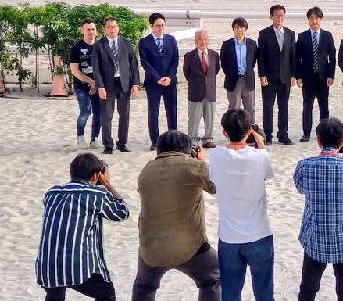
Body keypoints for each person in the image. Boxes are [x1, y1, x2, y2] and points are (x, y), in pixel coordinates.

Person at [132, 130, 220, 301]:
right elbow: (217, 187)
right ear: (187, 149)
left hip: (151, 247)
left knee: (144, 286)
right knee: (213, 278)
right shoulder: (192, 166)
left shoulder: (146, 170)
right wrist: (202, 161)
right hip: (190, 247)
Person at [294, 117, 343, 301]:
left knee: (308, 289)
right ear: (342, 140)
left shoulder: (305, 166)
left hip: (315, 238)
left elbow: (300, 187)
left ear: (318, 140)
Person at [36, 153, 129, 301]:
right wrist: (108, 184)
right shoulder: (97, 193)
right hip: (77, 267)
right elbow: (122, 213)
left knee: (55, 294)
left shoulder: (52, 193)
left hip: (47, 267)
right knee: (106, 293)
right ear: (96, 176)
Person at [208, 109, 275, 301]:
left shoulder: (216, 156)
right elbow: (267, 175)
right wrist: (260, 143)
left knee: (230, 292)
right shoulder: (260, 156)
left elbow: (213, 177)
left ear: (224, 131)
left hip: (229, 237)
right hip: (259, 233)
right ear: (249, 131)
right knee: (264, 292)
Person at [91, 16, 140, 154]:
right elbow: (96, 68)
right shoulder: (99, 45)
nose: (112, 29)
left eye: (114, 26)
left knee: (125, 115)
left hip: (124, 83)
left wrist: (135, 84)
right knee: (107, 116)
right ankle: (108, 145)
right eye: (109, 27)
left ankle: (122, 143)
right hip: (107, 85)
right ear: (104, 29)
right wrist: (100, 86)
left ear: (118, 28)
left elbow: (134, 65)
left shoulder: (126, 43)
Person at [138, 12, 180, 151]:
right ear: (151, 26)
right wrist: (157, 78)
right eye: (157, 25)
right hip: (153, 83)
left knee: (172, 111)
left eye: (162, 25)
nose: (161, 28)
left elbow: (175, 60)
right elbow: (145, 63)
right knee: (153, 112)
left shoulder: (171, 40)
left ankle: (173, 139)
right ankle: (155, 141)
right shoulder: (144, 42)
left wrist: (170, 77)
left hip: (170, 82)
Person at [295, 7, 337, 142]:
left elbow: (332, 57)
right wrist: (299, 76)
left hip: (323, 77)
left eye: (317, 18)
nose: (314, 21)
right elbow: (297, 58)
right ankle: (306, 133)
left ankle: (324, 134)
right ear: (308, 20)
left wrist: (331, 75)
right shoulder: (302, 36)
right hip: (308, 78)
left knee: (324, 106)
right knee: (307, 106)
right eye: (311, 18)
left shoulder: (327, 35)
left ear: (321, 20)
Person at [258, 4, 296, 145]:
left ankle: (283, 135)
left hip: (285, 77)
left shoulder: (290, 33)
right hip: (269, 77)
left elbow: (293, 56)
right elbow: (260, 57)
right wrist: (262, 75)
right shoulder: (264, 33)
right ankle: (268, 136)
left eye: (282, 15)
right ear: (271, 17)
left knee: (284, 106)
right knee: (268, 107)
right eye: (277, 15)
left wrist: (293, 75)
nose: (280, 18)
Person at [184, 30, 221, 148]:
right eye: (200, 39)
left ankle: (208, 139)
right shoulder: (189, 56)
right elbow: (187, 73)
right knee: (194, 118)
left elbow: (216, 70)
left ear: (208, 40)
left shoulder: (214, 55)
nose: (203, 41)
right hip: (195, 92)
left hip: (210, 92)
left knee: (210, 117)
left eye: (205, 39)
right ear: (195, 41)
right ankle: (193, 140)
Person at [69, 18, 101, 149]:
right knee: (85, 112)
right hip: (81, 86)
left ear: (96, 31)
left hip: (98, 85)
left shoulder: (101, 46)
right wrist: (91, 82)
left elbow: (105, 68)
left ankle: (94, 139)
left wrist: (97, 84)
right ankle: (80, 137)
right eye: (88, 29)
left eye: (93, 29)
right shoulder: (77, 48)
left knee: (99, 112)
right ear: (83, 31)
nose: (91, 32)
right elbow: (75, 71)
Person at [220, 17, 258, 122]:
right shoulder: (227, 44)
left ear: (245, 29)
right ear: (233, 29)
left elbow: (253, 61)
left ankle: (250, 133)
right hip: (234, 80)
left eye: (242, 27)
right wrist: (231, 73)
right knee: (233, 109)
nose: (239, 30)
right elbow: (223, 62)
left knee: (250, 109)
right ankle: (233, 134)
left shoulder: (252, 44)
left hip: (248, 80)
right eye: (237, 27)